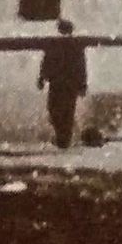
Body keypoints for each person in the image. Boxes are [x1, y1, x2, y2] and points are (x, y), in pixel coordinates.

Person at [37, 19, 88, 148]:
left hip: (58, 83)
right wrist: (82, 84)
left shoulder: (54, 45)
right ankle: (64, 136)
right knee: (66, 111)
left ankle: (63, 136)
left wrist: (42, 78)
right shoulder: (75, 46)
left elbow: (46, 63)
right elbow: (81, 66)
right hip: (68, 84)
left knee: (56, 110)